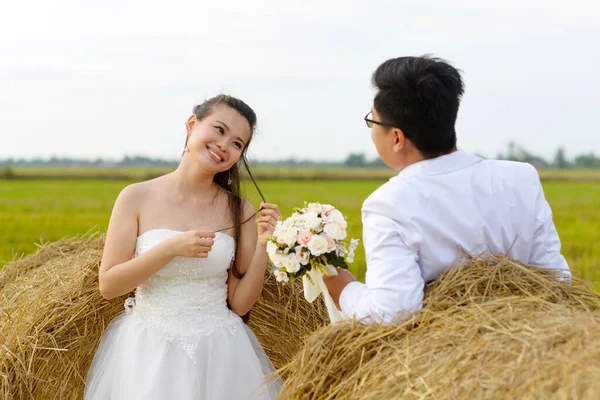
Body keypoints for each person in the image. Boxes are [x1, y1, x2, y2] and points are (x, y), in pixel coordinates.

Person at [324, 55, 571, 324]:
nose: (371, 131)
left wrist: (344, 291)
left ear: (397, 137)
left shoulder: (388, 204)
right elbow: (555, 280)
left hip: (444, 354)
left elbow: (393, 313)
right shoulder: (521, 177)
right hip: (528, 339)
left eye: (373, 122)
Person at [84, 94, 282, 399]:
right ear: (192, 124)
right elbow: (109, 285)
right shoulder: (135, 197)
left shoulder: (239, 209)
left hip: (221, 350)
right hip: (149, 347)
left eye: (237, 144)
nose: (224, 145)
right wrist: (170, 248)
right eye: (219, 130)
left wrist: (265, 244)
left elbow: (241, 304)